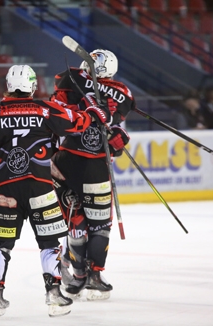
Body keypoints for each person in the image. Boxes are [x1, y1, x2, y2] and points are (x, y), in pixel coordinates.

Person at [0, 65, 112, 318]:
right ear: (32, 86)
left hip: (7, 189)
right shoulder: (43, 109)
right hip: (40, 187)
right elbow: (76, 123)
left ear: (8, 85)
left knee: (2, 246)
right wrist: (94, 113)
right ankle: (54, 294)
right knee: (49, 243)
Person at [49, 49, 133, 301]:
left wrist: (119, 137)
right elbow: (56, 112)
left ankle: (89, 273)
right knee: (84, 225)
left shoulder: (78, 80)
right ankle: (80, 272)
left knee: (93, 225)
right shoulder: (72, 80)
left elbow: (116, 127)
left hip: (86, 165)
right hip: (73, 165)